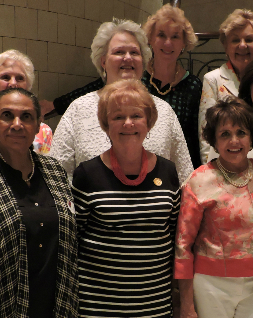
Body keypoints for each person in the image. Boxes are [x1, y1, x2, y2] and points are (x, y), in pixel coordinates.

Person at [72, 79, 180, 317]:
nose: (128, 123)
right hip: (98, 307)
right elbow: (73, 240)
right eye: (118, 116)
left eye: (136, 116)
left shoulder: (168, 171)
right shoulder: (87, 174)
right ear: (106, 124)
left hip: (154, 305)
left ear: (149, 122)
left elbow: (174, 236)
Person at [0, 88, 78, 317]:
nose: (17, 124)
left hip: (59, 306)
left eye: (26, 116)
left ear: (38, 125)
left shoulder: (55, 171)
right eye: (7, 115)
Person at [50, 19, 193, 184]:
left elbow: (185, 177)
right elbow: (58, 176)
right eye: (119, 52)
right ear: (103, 62)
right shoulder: (78, 109)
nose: (128, 58)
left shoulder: (164, 111)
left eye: (134, 52)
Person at [175, 98, 253, 318]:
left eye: (241, 132)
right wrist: (186, 303)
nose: (234, 141)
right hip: (212, 286)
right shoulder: (200, 180)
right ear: (214, 141)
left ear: (251, 138)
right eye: (225, 134)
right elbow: (183, 246)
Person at [199, 9, 253, 164]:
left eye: (249, 40)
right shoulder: (212, 80)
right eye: (235, 40)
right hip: (223, 166)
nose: (242, 46)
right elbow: (205, 136)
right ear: (225, 46)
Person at [142, 4, 202, 168]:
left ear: (184, 42)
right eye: (161, 35)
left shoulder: (193, 86)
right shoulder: (137, 79)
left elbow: (195, 139)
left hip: (178, 171)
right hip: (137, 167)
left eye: (175, 37)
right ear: (151, 39)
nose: (168, 43)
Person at [0, 49, 53, 160]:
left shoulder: (44, 132)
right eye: (5, 77)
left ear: (27, 86)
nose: (13, 83)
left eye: (20, 78)